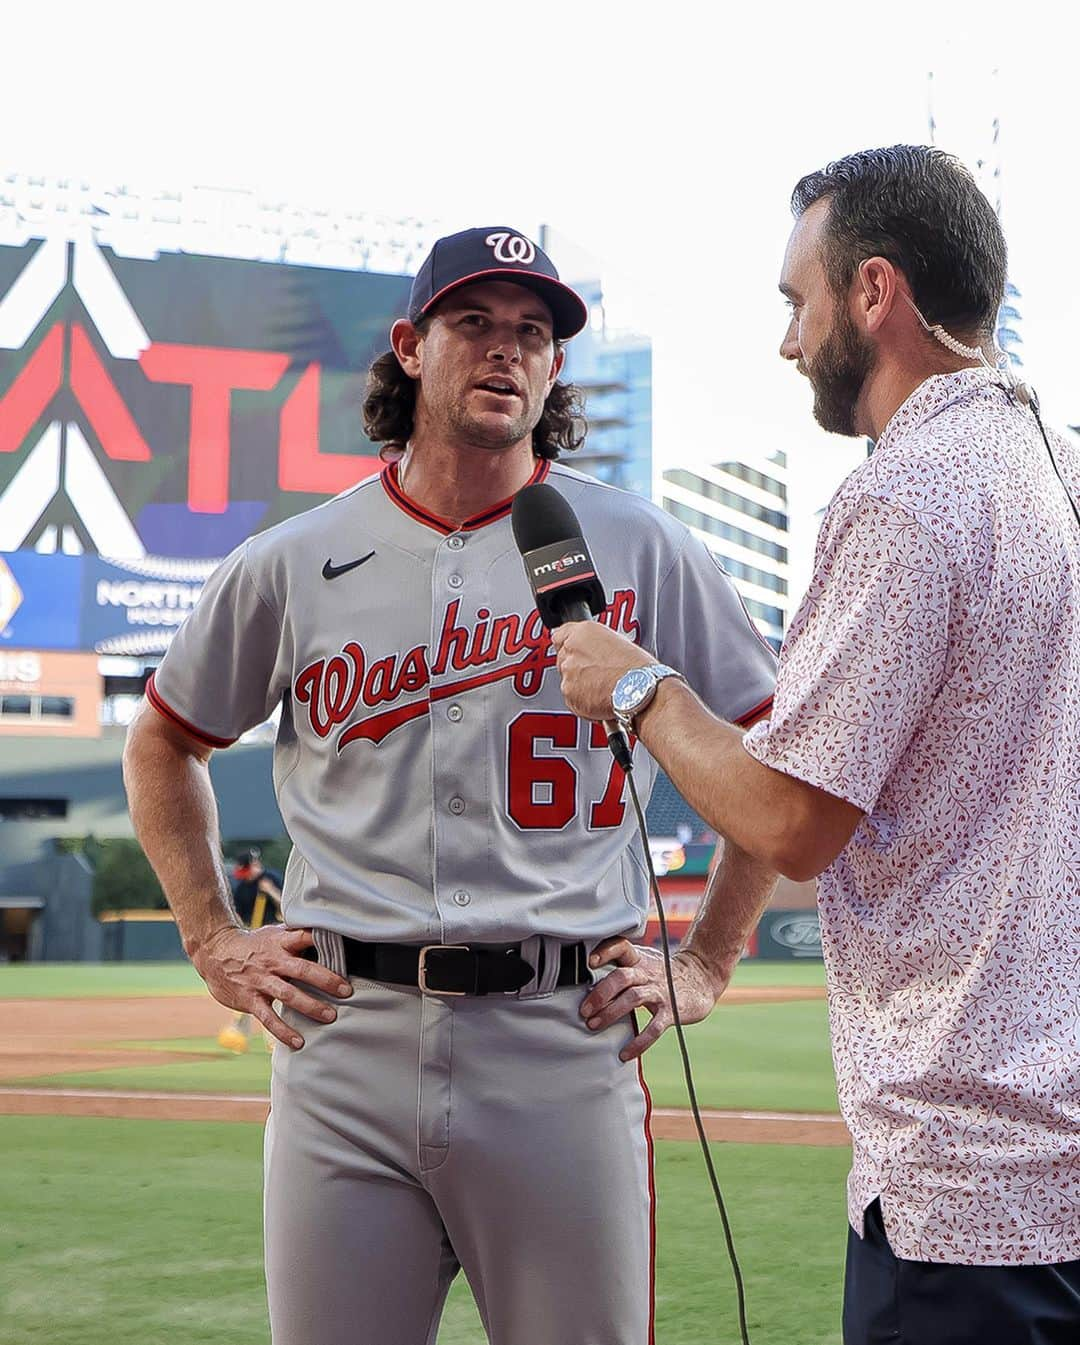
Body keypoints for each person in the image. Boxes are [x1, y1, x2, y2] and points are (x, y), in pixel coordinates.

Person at [122, 225, 779, 1345]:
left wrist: (710, 957)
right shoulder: (295, 558)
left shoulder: (638, 544)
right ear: (409, 349)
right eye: (473, 322)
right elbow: (163, 740)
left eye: (534, 333)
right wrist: (210, 938)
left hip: (560, 1040)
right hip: (345, 1040)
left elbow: (775, 757)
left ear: (556, 367)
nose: (506, 351)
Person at [554, 146, 1080, 1344]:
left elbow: (796, 818)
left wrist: (641, 688)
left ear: (874, 293)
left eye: (799, 301)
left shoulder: (907, 492)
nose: (790, 341)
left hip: (968, 1184)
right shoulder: (1059, 465)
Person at [216, 848, 283, 1053]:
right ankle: (240, 1035)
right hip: (253, 940)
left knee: (272, 990)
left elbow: (287, 907)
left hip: (276, 940)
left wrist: (270, 891)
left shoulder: (271, 878)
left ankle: (275, 1040)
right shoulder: (243, 888)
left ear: (255, 865)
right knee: (248, 987)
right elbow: (237, 915)